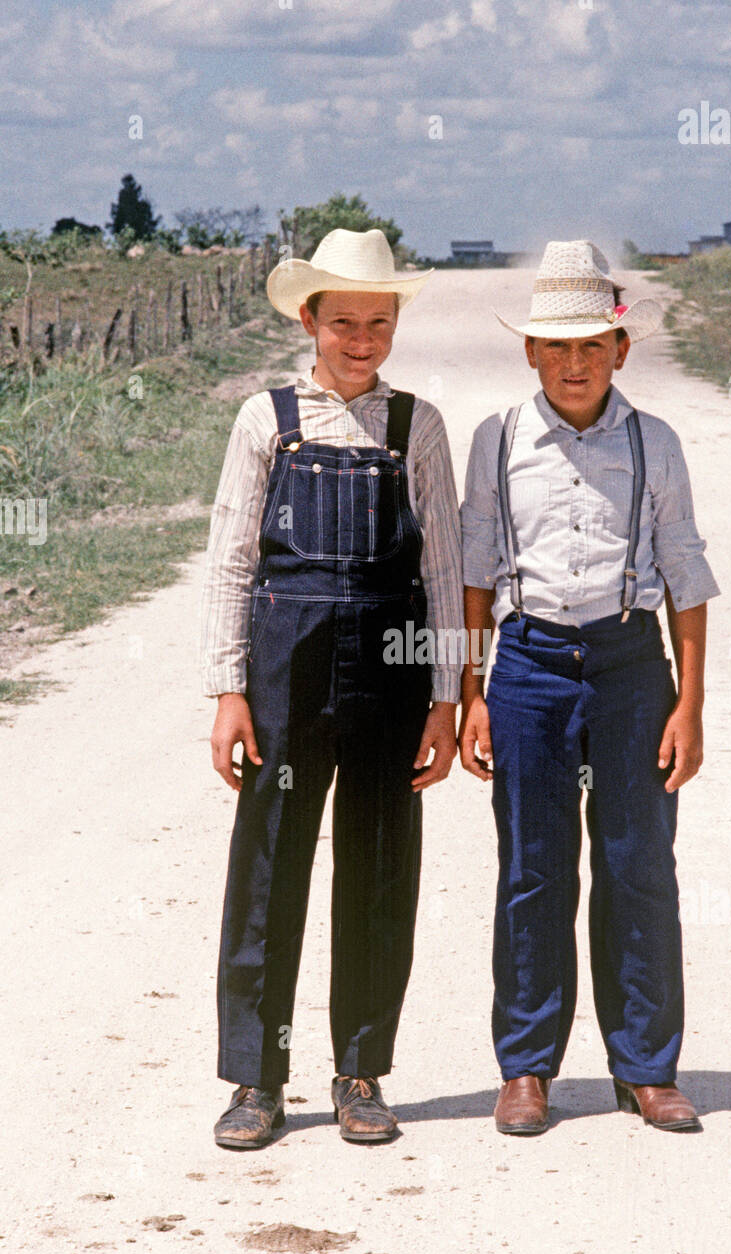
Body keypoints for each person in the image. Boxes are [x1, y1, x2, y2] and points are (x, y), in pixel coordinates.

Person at [201, 228, 463, 1148]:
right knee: (269, 862)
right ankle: (255, 1081)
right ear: (308, 319)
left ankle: (360, 1072)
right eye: (344, 319)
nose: (361, 337)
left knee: (381, 864)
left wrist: (445, 694)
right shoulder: (264, 421)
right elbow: (233, 560)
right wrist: (228, 689)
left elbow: (445, 562)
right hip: (286, 665)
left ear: (395, 323)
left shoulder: (415, 425)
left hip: (393, 665)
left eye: (378, 320)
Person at [459, 239, 720, 1135]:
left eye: (592, 347)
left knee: (637, 863)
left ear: (621, 350)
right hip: (527, 666)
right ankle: (526, 1067)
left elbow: (684, 570)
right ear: (529, 352)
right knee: (532, 871)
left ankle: (646, 1066)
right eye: (556, 347)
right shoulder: (497, 440)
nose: (575, 365)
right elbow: (476, 569)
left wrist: (689, 700)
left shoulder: (656, 443)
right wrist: (472, 691)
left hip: (628, 666)